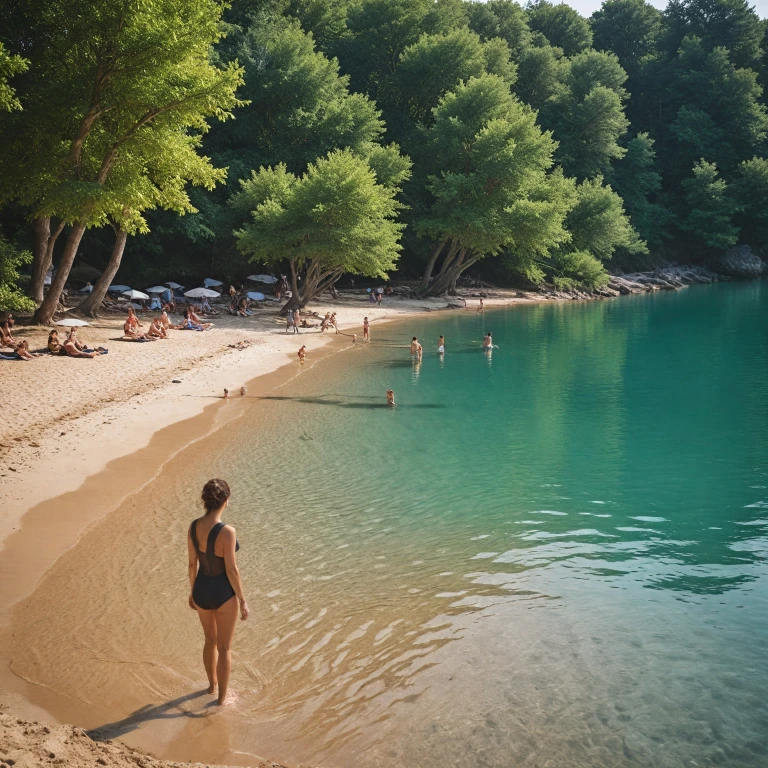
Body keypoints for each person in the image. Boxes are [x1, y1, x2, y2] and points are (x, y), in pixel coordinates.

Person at [187, 479, 248, 706]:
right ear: (225, 501)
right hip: (223, 593)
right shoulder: (227, 531)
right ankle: (222, 700)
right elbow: (232, 570)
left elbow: (192, 565)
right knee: (224, 647)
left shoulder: (193, 527)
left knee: (209, 640)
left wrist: (193, 592)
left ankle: (211, 686)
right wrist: (242, 600)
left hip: (201, 589)